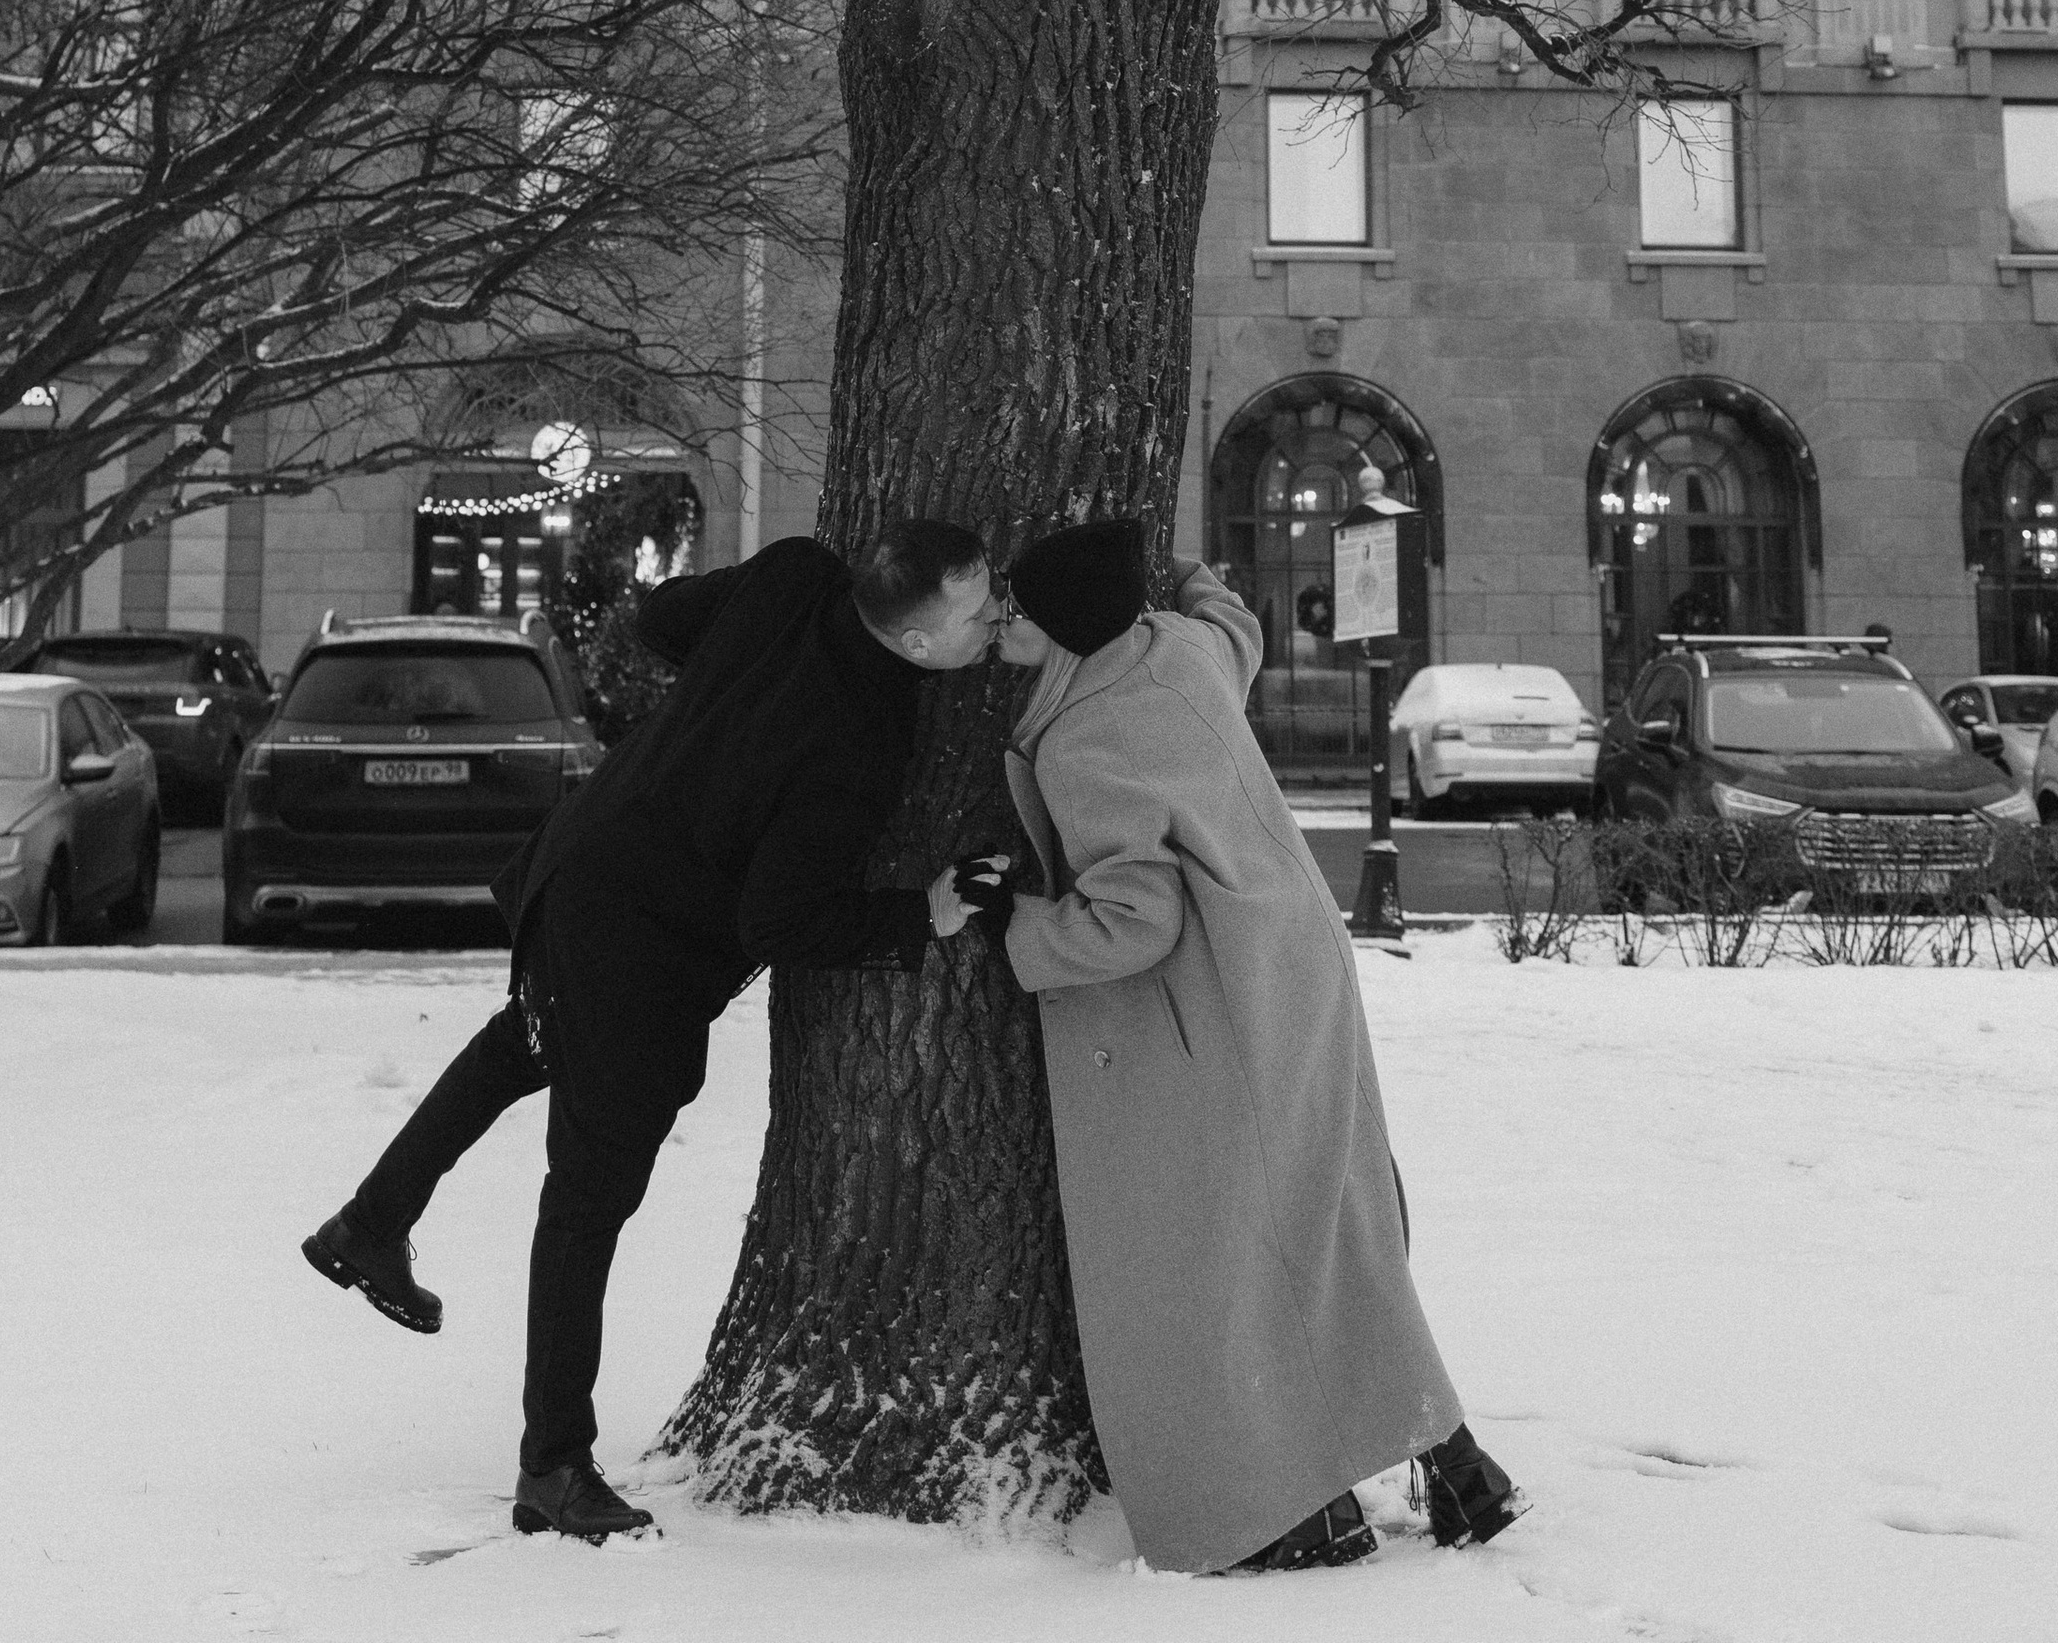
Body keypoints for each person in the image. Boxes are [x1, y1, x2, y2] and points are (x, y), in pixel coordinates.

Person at [302, 518, 1001, 1544]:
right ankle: (553, 1469)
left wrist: (728, 692)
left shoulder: (793, 573)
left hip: (581, 863)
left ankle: (367, 1225)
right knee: (587, 1201)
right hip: (642, 953)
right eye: (979, 613)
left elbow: (664, 620)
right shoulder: (861, 740)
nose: (994, 623)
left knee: (523, 1043)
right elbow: (782, 919)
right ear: (921, 641)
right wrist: (922, 916)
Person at [970, 518, 1520, 1577]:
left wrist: (1017, 925)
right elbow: (1233, 621)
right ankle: (1458, 1470)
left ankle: (1297, 1513)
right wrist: (1179, 570)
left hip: (1208, 1013)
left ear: (1057, 628)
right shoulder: (1181, 649)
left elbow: (1135, 921)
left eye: (1016, 609)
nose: (1001, 622)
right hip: (1293, 967)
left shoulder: (1088, 737)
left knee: (1213, 1271)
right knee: (1337, 1227)